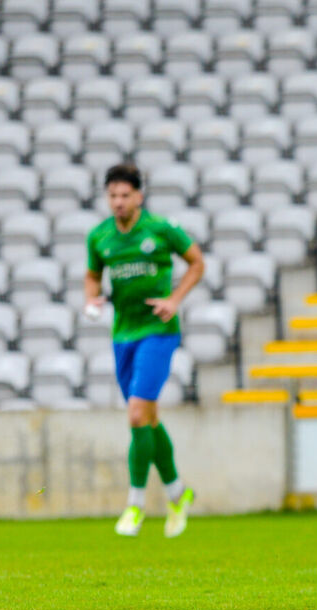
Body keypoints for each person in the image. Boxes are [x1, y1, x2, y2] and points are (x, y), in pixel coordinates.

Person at [85, 164, 205, 538]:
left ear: (139, 196)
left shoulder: (160, 229)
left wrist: (174, 299)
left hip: (158, 331)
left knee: (136, 414)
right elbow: (92, 275)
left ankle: (134, 505)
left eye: (125, 195)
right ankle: (177, 493)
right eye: (113, 196)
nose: (118, 202)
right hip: (123, 335)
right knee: (148, 418)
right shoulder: (99, 237)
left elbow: (197, 262)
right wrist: (91, 300)